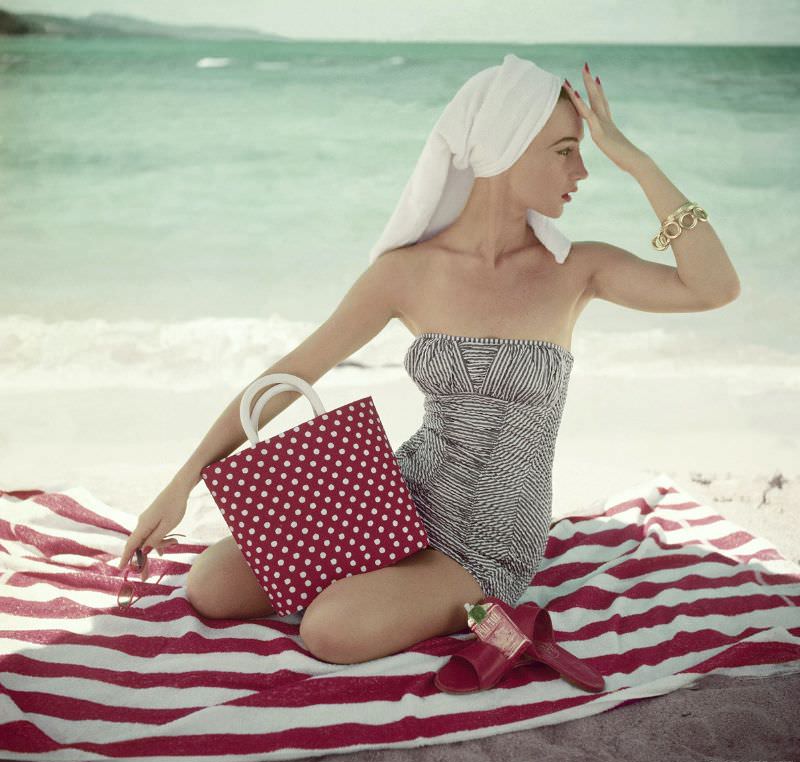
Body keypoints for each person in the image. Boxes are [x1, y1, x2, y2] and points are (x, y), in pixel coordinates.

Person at [118, 58, 741, 665]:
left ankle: (419, 594)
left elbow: (713, 287)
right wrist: (181, 484)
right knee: (211, 585)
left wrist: (634, 160)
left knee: (330, 630)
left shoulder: (578, 268)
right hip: (396, 495)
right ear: (506, 146)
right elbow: (292, 372)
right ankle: (381, 580)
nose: (582, 169)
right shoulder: (406, 271)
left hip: (486, 538)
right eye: (564, 150)